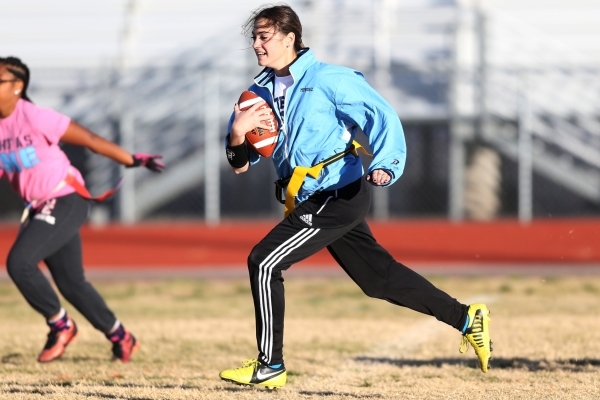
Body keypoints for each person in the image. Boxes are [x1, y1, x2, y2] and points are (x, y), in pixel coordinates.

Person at [219, 4, 494, 389]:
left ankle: (271, 365)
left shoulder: (330, 79)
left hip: (338, 194)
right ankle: (467, 318)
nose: (256, 45)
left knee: (264, 263)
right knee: (378, 281)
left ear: (289, 38)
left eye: (264, 37)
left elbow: (381, 116)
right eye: (254, 38)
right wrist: (236, 133)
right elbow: (239, 165)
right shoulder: (257, 92)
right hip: (307, 199)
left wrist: (387, 163)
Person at [0, 56, 164, 363]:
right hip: (38, 207)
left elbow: (89, 139)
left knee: (19, 263)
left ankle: (60, 324)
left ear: (18, 87)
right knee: (72, 283)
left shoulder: (35, 117)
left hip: (65, 198)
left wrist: (130, 159)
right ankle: (122, 337)